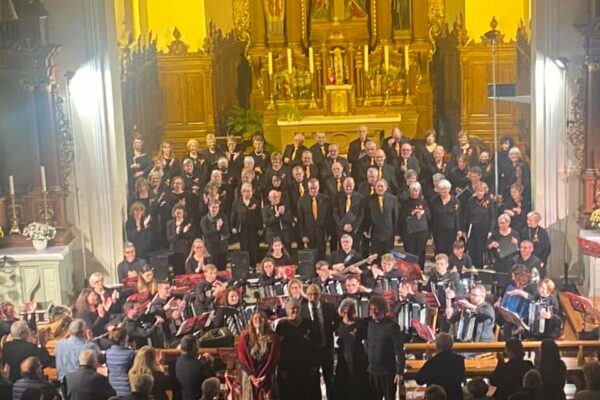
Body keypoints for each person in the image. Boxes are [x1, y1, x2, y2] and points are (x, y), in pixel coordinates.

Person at [276, 297, 320, 399]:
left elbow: (314, 346)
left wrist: (315, 365)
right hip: (289, 370)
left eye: (297, 308)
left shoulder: (308, 323)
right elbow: (279, 350)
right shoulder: (281, 326)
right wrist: (281, 368)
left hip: (307, 368)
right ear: (287, 310)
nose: (295, 310)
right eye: (292, 308)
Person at [365, 295, 405, 400]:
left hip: (387, 372)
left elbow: (399, 350)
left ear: (383, 309)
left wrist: (399, 371)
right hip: (372, 371)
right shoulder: (369, 324)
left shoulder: (392, 326)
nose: (373, 312)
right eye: (371, 309)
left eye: (376, 309)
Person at [302, 284, 338, 400]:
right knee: (313, 381)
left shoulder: (329, 308)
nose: (313, 297)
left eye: (316, 294)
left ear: (320, 294)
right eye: (310, 294)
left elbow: (337, 323)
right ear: (306, 295)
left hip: (326, 349)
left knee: (330, 380)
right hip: (311, 352)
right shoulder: (302, 310)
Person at [237, 311, 281, 400]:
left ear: (265, 320)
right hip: (250, 377)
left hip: (267, 375)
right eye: (255, 318)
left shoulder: (273, 338)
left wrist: (264, 376)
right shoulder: (245, 338)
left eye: (260, 318)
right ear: (252, 321)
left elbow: (274, 358)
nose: (258, 320)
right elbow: (242, 358)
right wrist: (252, 376)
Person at [333, 298, 370, 400]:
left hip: (358, 357)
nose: (350, 313)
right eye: (348, 310)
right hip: (343, 359)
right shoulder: (338, 324)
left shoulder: (360, 323)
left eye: (352, 310)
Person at [416, 333, 465, 400]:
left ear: (437, 346)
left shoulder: (433, 362)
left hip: (436, 397)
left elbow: (419, 380)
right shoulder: (459, 360)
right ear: (451, 345)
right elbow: (462, 378)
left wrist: (429, 361)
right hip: (455, 397)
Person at [425, 253, 464, 333]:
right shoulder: (433, 278)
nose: (439, 266)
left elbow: (461, 292)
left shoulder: (453, 277)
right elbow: (428, 291)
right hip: (436, 309)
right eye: (437, 264)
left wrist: (454, 294)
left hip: (451, 308)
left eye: (441, 264)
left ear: (447, 265)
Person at [55, 319, 101, 383]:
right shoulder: (89, 346)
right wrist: (91, 340)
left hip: (63, 382)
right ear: (84, 332)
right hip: (81, 383)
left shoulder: (59, 344)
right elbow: (100, 357)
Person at [463, 182, 496, 267]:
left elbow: (492, 217)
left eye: (481, 191)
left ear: (484, 191)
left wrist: (491, 231)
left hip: (484, 230)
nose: (480, 193)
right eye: (478, 191)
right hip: (472, 229)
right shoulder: (471, 201)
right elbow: (466, 216)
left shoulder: (489, 201)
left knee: (480, 251)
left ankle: (480, 269)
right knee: (472, 250)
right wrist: (464, 230)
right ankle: (472, 268)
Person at [363, 179, 400, 257]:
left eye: (381, 186)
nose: (380, 188)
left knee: (388, 257)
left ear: (386, 187)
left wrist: (396, 232)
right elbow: (367, 217)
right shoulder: (369, 200)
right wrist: (366, 229)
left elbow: (395, 217)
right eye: (378, 186)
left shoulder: (393, 199)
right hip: (375, 234)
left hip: (388, 233)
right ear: (374, 187)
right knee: (376, 257)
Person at [297, 178, 331, 260]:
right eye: (311, 188)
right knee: (311, 257)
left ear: (318, 187)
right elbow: (300, 219)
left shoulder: (326, 199)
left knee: (322, 256)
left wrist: (329, 233)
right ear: (308, 188)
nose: (313, 190)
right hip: (309, 234)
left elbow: (329, 217)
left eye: (315, 188)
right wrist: (303, 235)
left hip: (322, 233)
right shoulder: (302, 200)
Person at [231, 182, 263, 267]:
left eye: (248, 191)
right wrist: (233, 226)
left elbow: (260, 216)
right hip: (242, 230)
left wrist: (261, 228)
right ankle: (246, 267)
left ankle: (253, 267)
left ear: (252, 192)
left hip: (253, 230)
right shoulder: (237, 202)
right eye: (244, 191)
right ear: (241, 192)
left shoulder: (256, 202)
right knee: (244, 249)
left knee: (254, 249)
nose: (247, 193)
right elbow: (233, 215)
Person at [399, 181, 430, 268]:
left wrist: (423, 212)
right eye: (413, 190)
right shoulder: (405, 203)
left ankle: (420, 270)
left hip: (422, 233)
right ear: (410, 191)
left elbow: (429, 216)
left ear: (419, 191)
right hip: (409, 233)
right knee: (410, 252)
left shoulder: (424, 202)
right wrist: (412, 213)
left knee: (421, 251)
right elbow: (401, 218)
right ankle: (410, 271)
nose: (415, 192)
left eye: (416, 190)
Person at [175, 335, 215, 400]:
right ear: (196, 349)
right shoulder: (199, 366)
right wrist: (210, 364)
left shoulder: (178, 361)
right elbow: (212, 385)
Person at [430, 179, 463, 256]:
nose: (444, 191)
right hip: (438, 231)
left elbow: (458, 216)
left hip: (451, 231)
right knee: (439, 250)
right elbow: (431, 216)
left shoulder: (455, 200)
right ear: (438, 190)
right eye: (442, 189)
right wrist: (431, 231)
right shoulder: (434, 201)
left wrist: (459, 229)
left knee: (450, 251)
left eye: (446, 189)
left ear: (449, 189)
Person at [334, 177, 364, 249]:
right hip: (341, 230)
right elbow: (335, 214)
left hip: (355, 231)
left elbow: (361, 215)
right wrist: (342, 225)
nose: (348, 188)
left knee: (355, 251)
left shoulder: (360, 198)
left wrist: (353, 226)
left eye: (350, 186)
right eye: (346, 185)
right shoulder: (337, 197)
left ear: (354, 185)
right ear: (343, 185)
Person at [200, 200, 230, 271]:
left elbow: (226, 232)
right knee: (212, 268)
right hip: (211, 248)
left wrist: (219, 230)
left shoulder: (222, 217)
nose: (215, 209)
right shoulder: (204, 219)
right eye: (213, 207)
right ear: (209, 207)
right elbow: (206, 233)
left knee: (222, 269)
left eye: (216, 207)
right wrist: (217, 228)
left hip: (222, 247)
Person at [105, 327, 135, 397]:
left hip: (111, 388)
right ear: (125, 338)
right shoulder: (130, 353)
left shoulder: (108, 353)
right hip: (126, 388)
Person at [166, 204, 194, 275]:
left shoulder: (188, 223)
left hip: (185, 250)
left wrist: (185, 232)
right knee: (176, 271)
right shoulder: (170, 223)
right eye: (177, 213)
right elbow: (169, 238)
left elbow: (191, 236)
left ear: (183, 213)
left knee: (184, 270)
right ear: (174, 213)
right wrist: (177, 233)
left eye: (180, 213)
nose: (179, 215)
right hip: (174, 251)